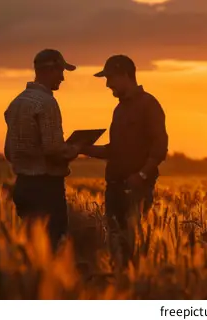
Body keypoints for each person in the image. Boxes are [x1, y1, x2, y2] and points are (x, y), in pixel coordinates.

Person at [80, 54, 168, 261]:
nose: (107, 84)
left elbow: (160, 146)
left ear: (125, 75)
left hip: (135, 190)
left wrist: (142, 174)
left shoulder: (149, 104)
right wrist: (84, 148)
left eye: (110, 78)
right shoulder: (119, 109)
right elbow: (115, 150)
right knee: (115, 245)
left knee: (134, 245)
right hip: (115, 188)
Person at [3, 48, 81, 252]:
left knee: (30, 248)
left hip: (22, 186)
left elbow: (9, 151)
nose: (63, 78)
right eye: (61, 72)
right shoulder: (47, 103)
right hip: (46, 187)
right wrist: (74, 149)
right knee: (52, 247)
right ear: (50, 70)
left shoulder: (16, 103)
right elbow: (53, 148)